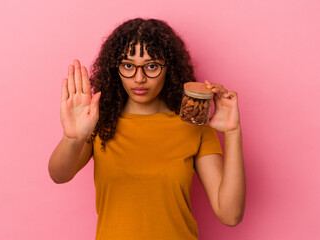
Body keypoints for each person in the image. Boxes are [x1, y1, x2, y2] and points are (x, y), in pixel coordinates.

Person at [48, 18, 246, 240]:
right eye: (128, 66)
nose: (139, 78)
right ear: (116, 68)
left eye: (151, 66)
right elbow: (59, 175)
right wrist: (72, 137)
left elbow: (230, 214)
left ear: (168, 67)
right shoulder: (97, 121)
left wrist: (232, 132)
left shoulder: (194, 125)